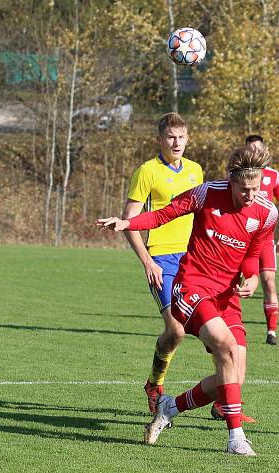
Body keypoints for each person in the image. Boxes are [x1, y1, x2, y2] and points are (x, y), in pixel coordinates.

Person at [97, 146, 277, 456]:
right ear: (231, 182)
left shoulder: (266, 213)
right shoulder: (207, 193)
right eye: (244, 189)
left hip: (226, 297)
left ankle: (170, 407)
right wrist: (129, 223)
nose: (250, 195)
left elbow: (252, 255)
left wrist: (252, 278)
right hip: (192, 285)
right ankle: (236, 438)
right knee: (223, 344)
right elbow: (165, 214)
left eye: (256, 188)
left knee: (233, 375)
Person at [121, 112, 203, 416]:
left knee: (215, 329)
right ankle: (155, 384)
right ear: (160, 139)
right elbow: (129, 222)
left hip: (193, 260)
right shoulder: (147, 172)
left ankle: (224, 397)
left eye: (181, 137)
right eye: (171, 137)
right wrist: (147, 261)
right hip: (161, 260)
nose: (177, 142)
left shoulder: (196, 170)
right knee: (176, 331)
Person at [245, 134, 279, 345]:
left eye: (257, 149)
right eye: (249, 149)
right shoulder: (239, 175)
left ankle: (271, 332)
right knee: (231, 283)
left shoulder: (274, 176)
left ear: (264, 151)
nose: (253, 152)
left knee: (269, 282)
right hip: (242, 238)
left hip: (264, 240)